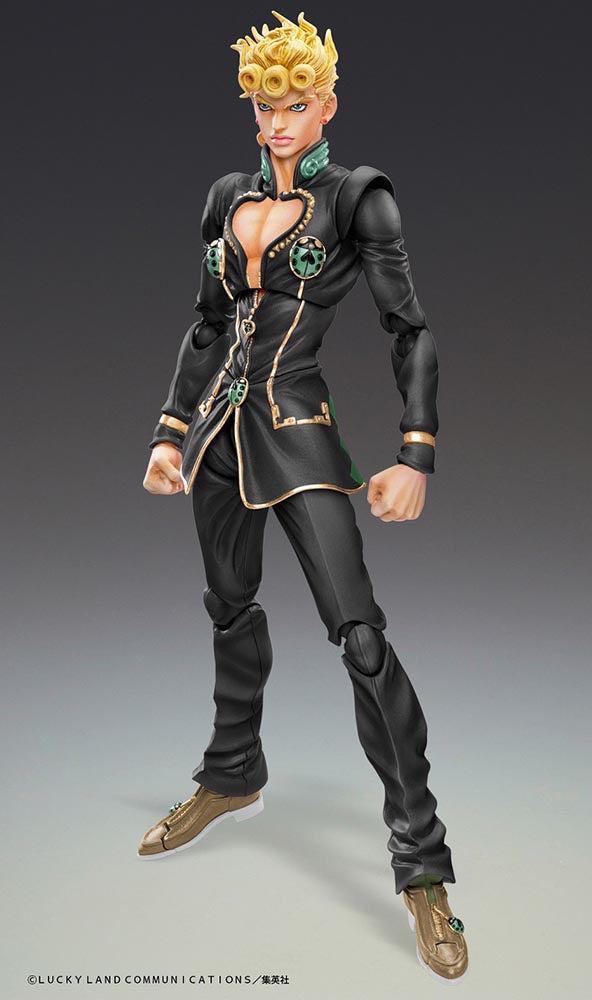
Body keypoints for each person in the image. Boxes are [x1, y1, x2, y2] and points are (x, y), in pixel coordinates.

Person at [138, 11, 468, 982]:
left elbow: (410, 330)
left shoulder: (357, 199)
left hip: (298, 432)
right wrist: (169, 430)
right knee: (228, 608)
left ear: (326, 104)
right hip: (219, 441)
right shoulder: (226, 198)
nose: (276, 121)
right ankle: (233, 771)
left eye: (294, 103)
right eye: (262, 104)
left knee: (359, 636)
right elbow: (208, 326)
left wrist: (414, 451)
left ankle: (422, 865)